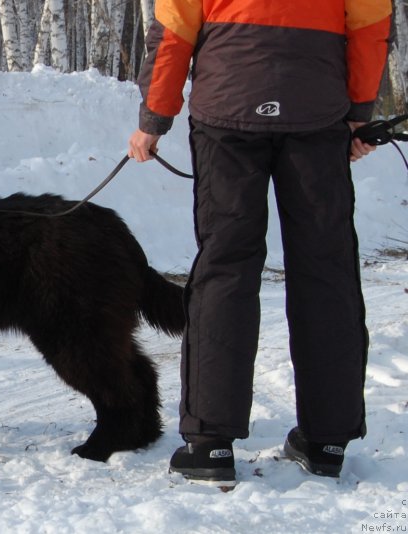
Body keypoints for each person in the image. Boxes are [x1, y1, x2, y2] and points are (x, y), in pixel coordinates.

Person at [128, 1, 392, 485]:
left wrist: (154, 118)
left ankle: (209, 445)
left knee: (225, 269)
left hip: (227, 110)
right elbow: (371, 28)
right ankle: (326, 441)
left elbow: (172, 32)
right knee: (325, 270)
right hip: (317, 112)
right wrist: (358, 113)